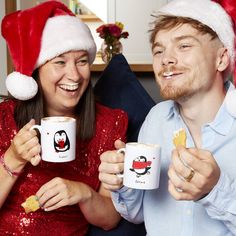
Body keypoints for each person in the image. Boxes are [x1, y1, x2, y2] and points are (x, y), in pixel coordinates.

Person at [98, 0, 236, 235]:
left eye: (183, 46)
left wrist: (214, 190)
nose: (166, 60)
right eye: (159, 50)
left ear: (221, 59)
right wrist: (121, 183)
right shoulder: (156, 119)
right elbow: (137, 213)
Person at [0, 1, 128, 235]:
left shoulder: (109, 124)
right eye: (60, 62)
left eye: (81, 61)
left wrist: (83, 193)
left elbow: (110, 220)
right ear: (37, 71)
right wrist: (14, 158)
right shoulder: (4, 118)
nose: (74, 75)